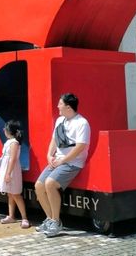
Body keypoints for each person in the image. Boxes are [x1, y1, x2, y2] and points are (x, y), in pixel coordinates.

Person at [34, 93, 91, 238]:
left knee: (50, 183)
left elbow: (80, 146)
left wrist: (63, 160)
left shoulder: (82, 123)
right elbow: (54, 139)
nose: (58, 106)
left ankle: (56, 221)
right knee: (39, 186)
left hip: (73, 162)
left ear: (68, 107)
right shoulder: (60, 120)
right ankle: (50, 219)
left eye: (60, 104)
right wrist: (49, 155)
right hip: (58, 160)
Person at [0, 120, 30, 229]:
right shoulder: (10, 142)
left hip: (11, 170)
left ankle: (24, 218)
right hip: (7, 169)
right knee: (10, 193)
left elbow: (13, 158)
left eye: (5, 128)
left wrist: (8, 173)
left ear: (9, 131)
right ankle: (11, 215)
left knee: (15, 194)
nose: (3, 130)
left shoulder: (14, 142)